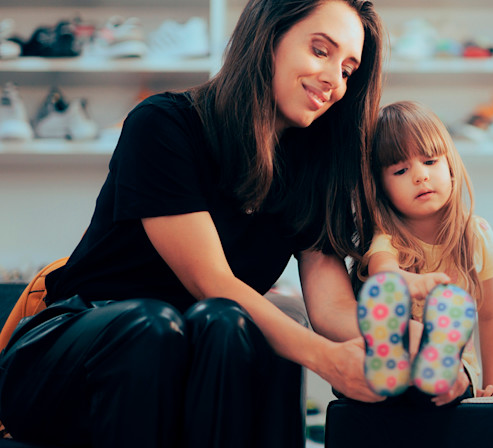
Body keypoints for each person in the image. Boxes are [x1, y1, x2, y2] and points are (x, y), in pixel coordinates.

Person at [0, 1, 386, 447]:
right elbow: (210, 280)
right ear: (267, 38)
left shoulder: (309, 169)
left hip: (190, 358)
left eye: (348, 70)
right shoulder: (164, 124)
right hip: (65, 359)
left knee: (229, 322)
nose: (334, 81)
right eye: (321, 51)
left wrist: (398, 360)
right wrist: (327, 359)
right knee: (155, 324)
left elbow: (331, 309)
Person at [354, 100, 493, 407]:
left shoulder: (475, 234)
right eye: (400, 170)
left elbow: (491, 316)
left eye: (430, 161)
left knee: (443, 371)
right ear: (380, 188)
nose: (420, 176)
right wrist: (408, 283)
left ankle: (435, 352)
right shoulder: (389, 238)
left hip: (457, 379)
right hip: (402, 375)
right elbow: (382, 273)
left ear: (450, 165)